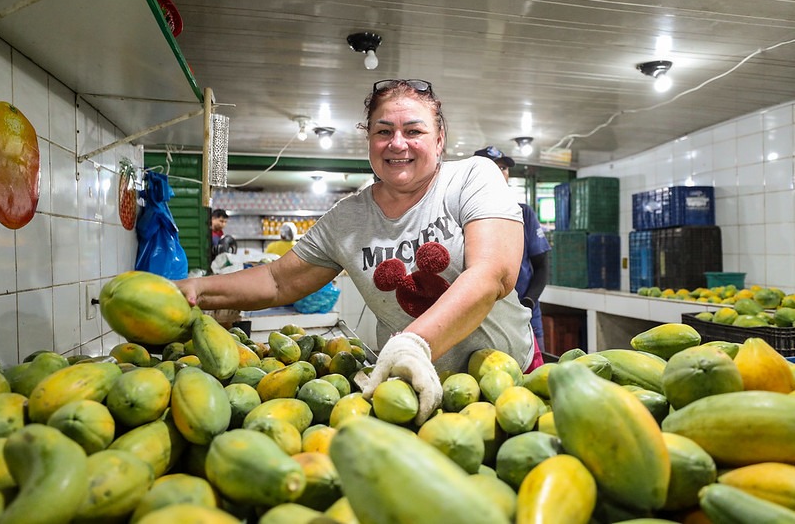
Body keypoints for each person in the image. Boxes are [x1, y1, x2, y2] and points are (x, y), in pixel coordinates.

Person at [176, 79, 536, 425]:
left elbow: (492, 273)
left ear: (439, 140)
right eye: (383, 132)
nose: (397, 143)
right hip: (409, 398)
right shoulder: (346, 220)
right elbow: (276, 281)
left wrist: (413, 345)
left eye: (413, 131)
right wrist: (196, 290)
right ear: (368, 140)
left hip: (512, 384)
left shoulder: (472, 178)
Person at [473, 146, 552, 351]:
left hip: (524, 317)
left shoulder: (523, 213)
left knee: (534, 376)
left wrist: (528, 302)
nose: (500, 172)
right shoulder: (464, 214)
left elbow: (542, 266)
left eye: (503, 168)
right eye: (493, 167)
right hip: (481, 319)